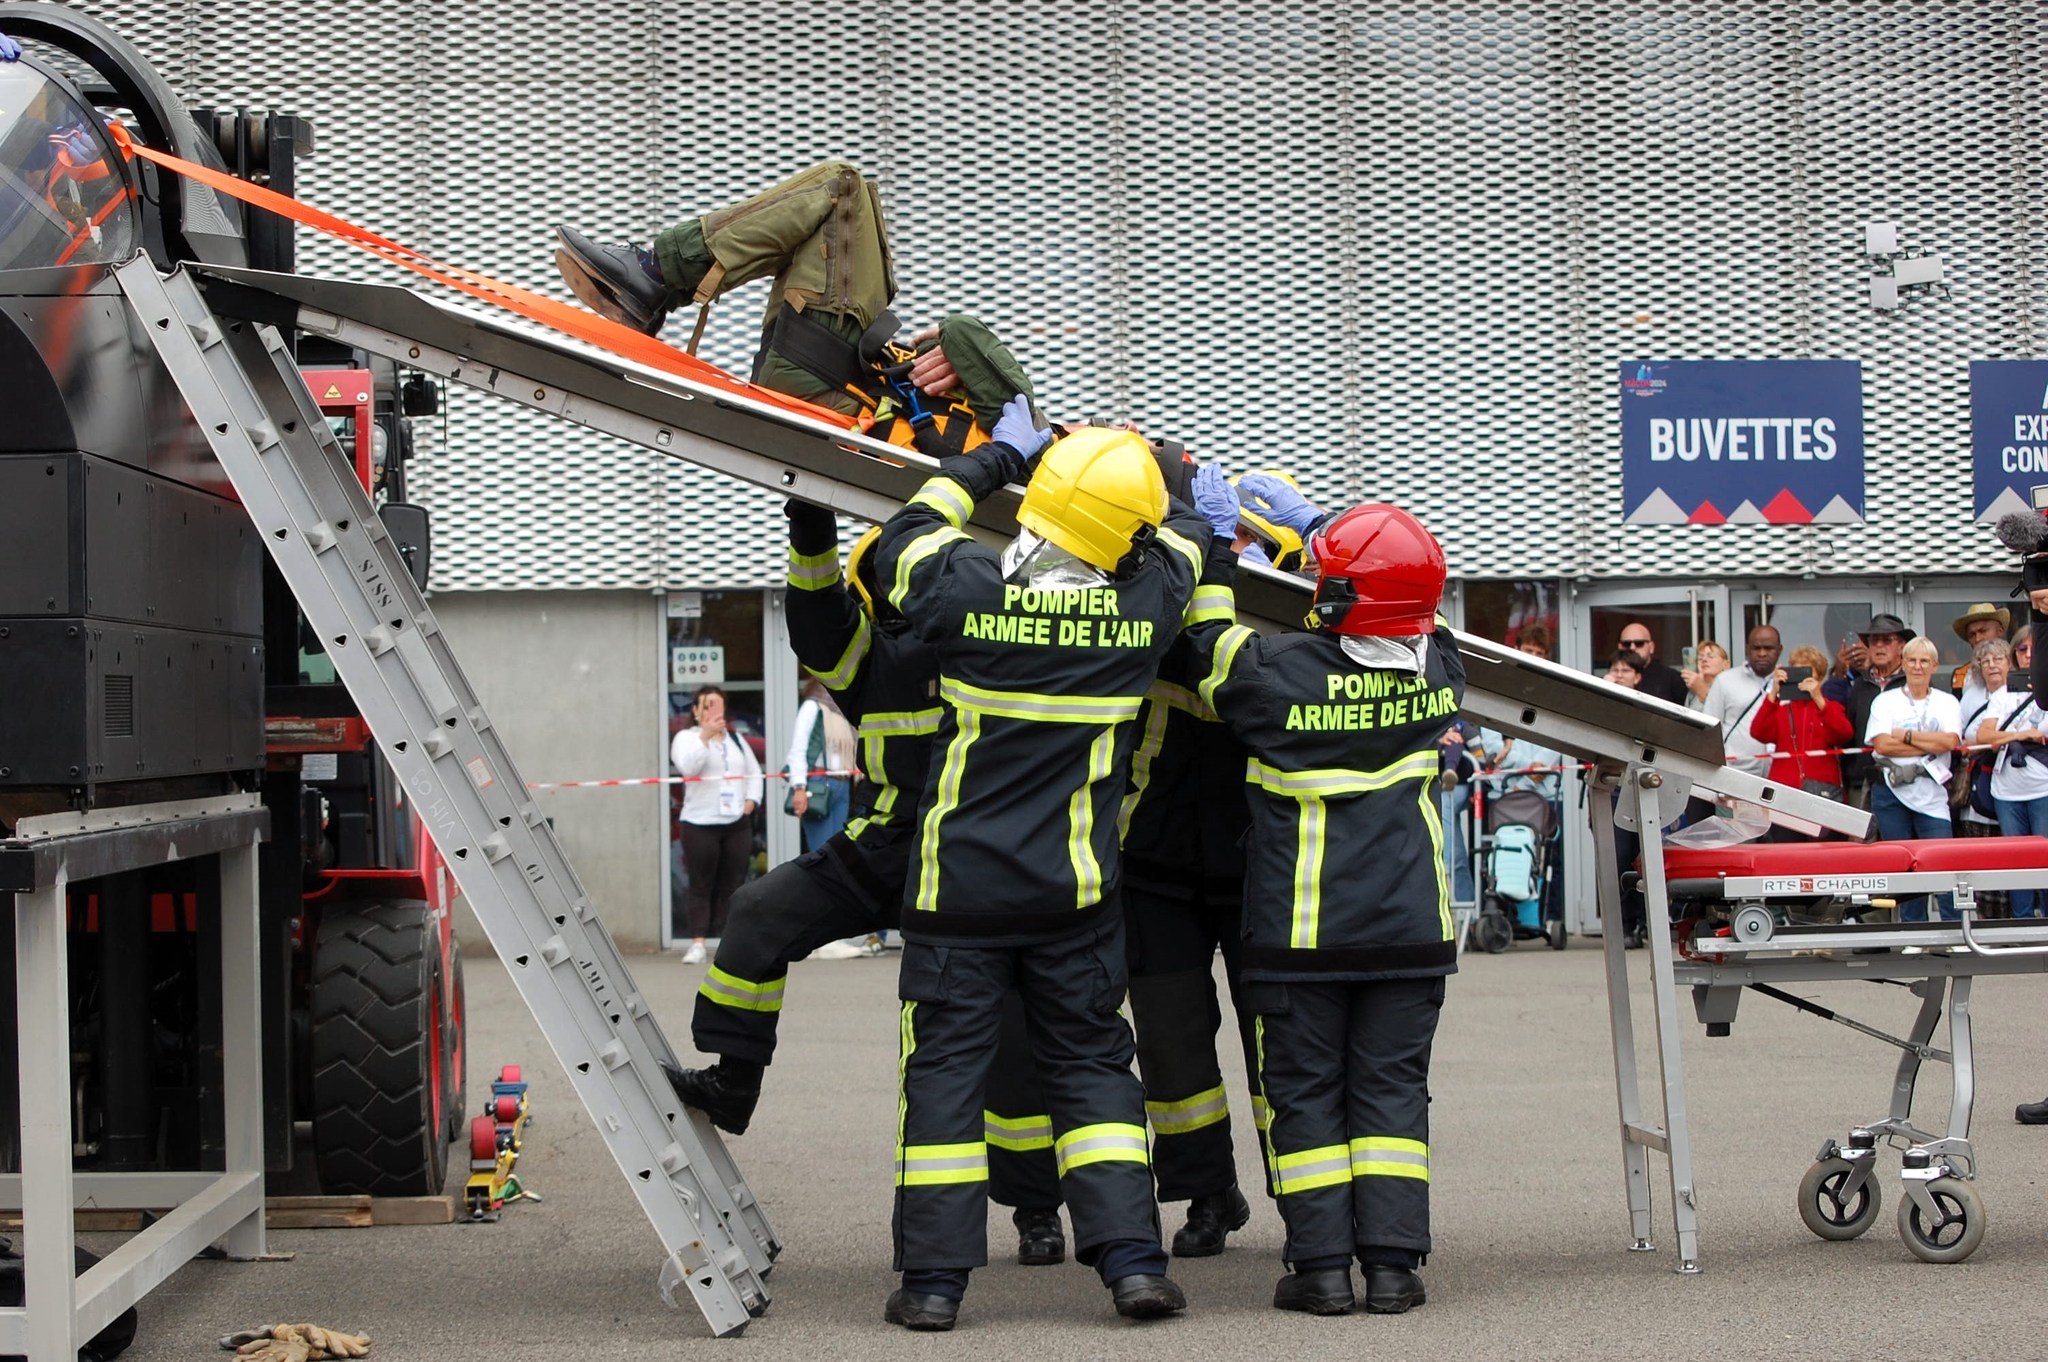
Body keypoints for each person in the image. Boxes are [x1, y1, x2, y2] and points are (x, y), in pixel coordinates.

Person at [666, 497, 1068, 1265]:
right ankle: (734, 1082)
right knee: (756, 913)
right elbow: (818, 616)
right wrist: (811, 530)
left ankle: (1036, 1212)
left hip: (979, 858)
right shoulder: (872, 657)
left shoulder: (996, 636)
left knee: (1013, 1042)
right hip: (883, 846)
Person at [874, 401, 1206, 1329]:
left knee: (944, 1079)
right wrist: (1170, 476)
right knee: (1095, 1070)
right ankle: (1135, 1266)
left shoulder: (966, 586)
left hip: (957, 894)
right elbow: (1183, 542)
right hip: (1075, 896)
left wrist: (996, 456)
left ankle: (934, 1287)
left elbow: (908, 528)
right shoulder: (1143, 612)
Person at [1184, 492, 1463, 1317]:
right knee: (1390, 1095)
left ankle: (1321, 1273)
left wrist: (1207, 540)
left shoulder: (1275, 675)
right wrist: (1328, 540)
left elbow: (1205, 642)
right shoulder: (1441, 670)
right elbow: (1419, 618)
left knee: (1305, 1096)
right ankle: (1392, 1269)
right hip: (1412, 930)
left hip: (1301, 936)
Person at [554, 161, 1033, 452]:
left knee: (842, 188)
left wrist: (959, 337)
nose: (1109, 428)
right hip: (829, 372)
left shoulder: (1050, 450)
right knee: (840, 210)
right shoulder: (1053, 450)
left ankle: (656, 275)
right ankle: (655, 284)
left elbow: (1015, 401)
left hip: (833, 379)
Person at [1865, 638, 1962, 921]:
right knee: (1903, 868)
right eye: (1912, 660)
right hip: (1892, 793)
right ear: (1903, 664)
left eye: (1924, 661)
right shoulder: (1885, 701)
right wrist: (1929, 743)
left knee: (1942, 864)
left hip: (1933, 794)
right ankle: (1914, 934)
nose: (1917, 666)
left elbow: (1949, 742)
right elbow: (1882, 745)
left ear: (1934, 666)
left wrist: (1904, 735)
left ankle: (1954, 931)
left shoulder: (1947, 702)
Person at [671, 685, 763, 963]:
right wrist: (706, 736)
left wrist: (751, 801)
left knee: (732, 884)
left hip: (735, 822)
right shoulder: (686, 738)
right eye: (707, 706)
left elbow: (754, 772)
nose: (713, 712)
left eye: (718, 706)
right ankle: (698, 941)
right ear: (696, 711)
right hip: (699, 822)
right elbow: (689, 768)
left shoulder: (735, 740)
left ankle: (728, 941)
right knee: (701, 884)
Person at [785, 678, 872, 960]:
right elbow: (798, 749)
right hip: (818, 786)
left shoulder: (841, 709)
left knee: (838, 863)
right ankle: (819, 939)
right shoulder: (812, 706)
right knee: (825, 864)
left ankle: (829, 936)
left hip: (840, 785)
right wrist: (799, 787)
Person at [1978, 640, 2048, 917]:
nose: (2029, 654)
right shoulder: (2002, 693)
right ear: (2014, 655)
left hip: (2042, 785)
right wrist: (2023, 735)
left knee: (2045, 858)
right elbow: (1984, 736)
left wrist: (2005, 737)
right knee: (2016, 860)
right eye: (2021, 649)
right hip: (2006, 788)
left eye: (2034, 648)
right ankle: (2021, 923)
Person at [1748, 645, 1853, 806]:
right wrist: (1773, 694)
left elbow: (1844, 733)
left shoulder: (1830, 707)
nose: (1801, 681)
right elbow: (1758, 732)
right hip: (1784, 791)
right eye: (1796, 673)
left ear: (1819, 678)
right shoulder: (1782, 710)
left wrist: (1819, 699)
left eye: (1807, 674)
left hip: (1822, 791)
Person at [1833, 614, 1911, 807]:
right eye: (1874, 641)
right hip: (1862, 778)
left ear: (1901, 646)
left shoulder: (1913, 682)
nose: (1879, 646)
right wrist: (1838, 674)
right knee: (1861, 836)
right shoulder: (1860, 684)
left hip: (1907, 778)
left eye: (1887, 640)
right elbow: (1846, 730)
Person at [1703, 626, 1781, 778]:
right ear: (1746, 649)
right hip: (1734, 775)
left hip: (1779, 776)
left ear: (1780, 649)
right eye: (1756, 648)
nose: (1762, 653)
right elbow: (1709, 728)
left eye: (1768, 648)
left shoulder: (1788, 684)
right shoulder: (1725, 681)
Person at [1951, 602, 2011, 703]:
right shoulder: (1961, 674)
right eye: (1972, 634)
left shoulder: (2018, 666)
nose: (1978, 639)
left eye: (1983, 631)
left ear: (2000, 630)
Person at [1618, 622, 1688, 706]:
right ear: (1619, 647)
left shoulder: (1672, 679)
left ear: (1651, 647)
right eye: (1626, 644)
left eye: (1639, 643)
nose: (1632, 648)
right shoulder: (1613, 677)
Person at [1682, 640, 1730, 707]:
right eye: (1700, 658)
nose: (1704, 659)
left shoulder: (1730, 689)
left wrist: (1701, 691)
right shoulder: (1693, 692)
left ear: (1726, 665)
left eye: (1711, 656)